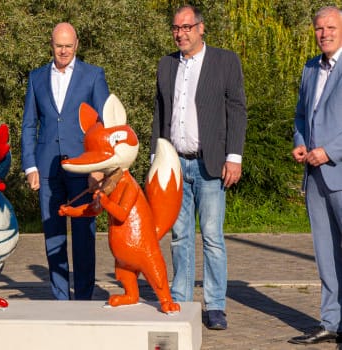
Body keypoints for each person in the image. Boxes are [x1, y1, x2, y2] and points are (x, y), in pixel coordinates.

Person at [151, 5, 247, 330]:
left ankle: (215, 305)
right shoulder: (166, 64)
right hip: (175, 164)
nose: (181, 33)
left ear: (201, 28)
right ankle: (179, 298)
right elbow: (159, 114)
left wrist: (234, 156)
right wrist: (155, 160)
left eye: (187, 27)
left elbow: (237, 110)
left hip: (211, 164)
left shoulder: (225, 61)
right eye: (176, 28)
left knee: (212, 237)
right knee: (179, 236)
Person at [21, 22, 109, 300]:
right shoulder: (36, 78)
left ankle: (83, 298)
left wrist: (99, 168)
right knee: (53, 235)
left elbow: (104, 126)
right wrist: (30, 165)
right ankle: (60, 298)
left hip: (83, 169)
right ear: (51, 44)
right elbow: (28, 125)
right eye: (59, 45)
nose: (63, 51)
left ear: (77, 45)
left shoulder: (93, 76)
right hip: (47, 170)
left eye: (68, 46)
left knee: (84, 236)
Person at [289, 6, 342, 345]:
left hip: (339, 170)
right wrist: (301, 142)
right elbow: (300, 114)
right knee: (325, 253)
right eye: (319, 29)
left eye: (331, 27)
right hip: (314, 176)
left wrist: (330, 151)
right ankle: (331, 322)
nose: (325, 33)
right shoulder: (310, 68)